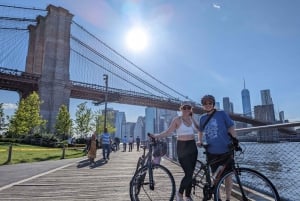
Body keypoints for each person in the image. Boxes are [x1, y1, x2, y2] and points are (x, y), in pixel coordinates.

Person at [150, 101, 199, 201]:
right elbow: (168, 132)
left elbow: (199, 129)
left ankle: (188, 195)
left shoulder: (192, 119)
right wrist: (156, 136)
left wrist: (192, 117)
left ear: (191, 109)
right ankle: (180, 193)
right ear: (181, 109)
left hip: (192, 146)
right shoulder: (177, 120)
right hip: (182, 147)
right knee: (188, 173)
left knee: (191, 172)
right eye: (184, 108)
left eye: (188, 108)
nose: (186, 110)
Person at [197, 95, 237, 201]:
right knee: (215, 177)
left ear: (213, 104)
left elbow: (231, 126)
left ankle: (228, 198)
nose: (208, 105)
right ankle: (217, 198)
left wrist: (235, 140)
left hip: (226, 150)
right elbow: (200, 131)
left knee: (228, 176)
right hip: (212, 151)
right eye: (205, 103)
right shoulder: (202, 118)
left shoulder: (221, 114)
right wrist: (200, 141)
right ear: (203, 106)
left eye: (210, 103)